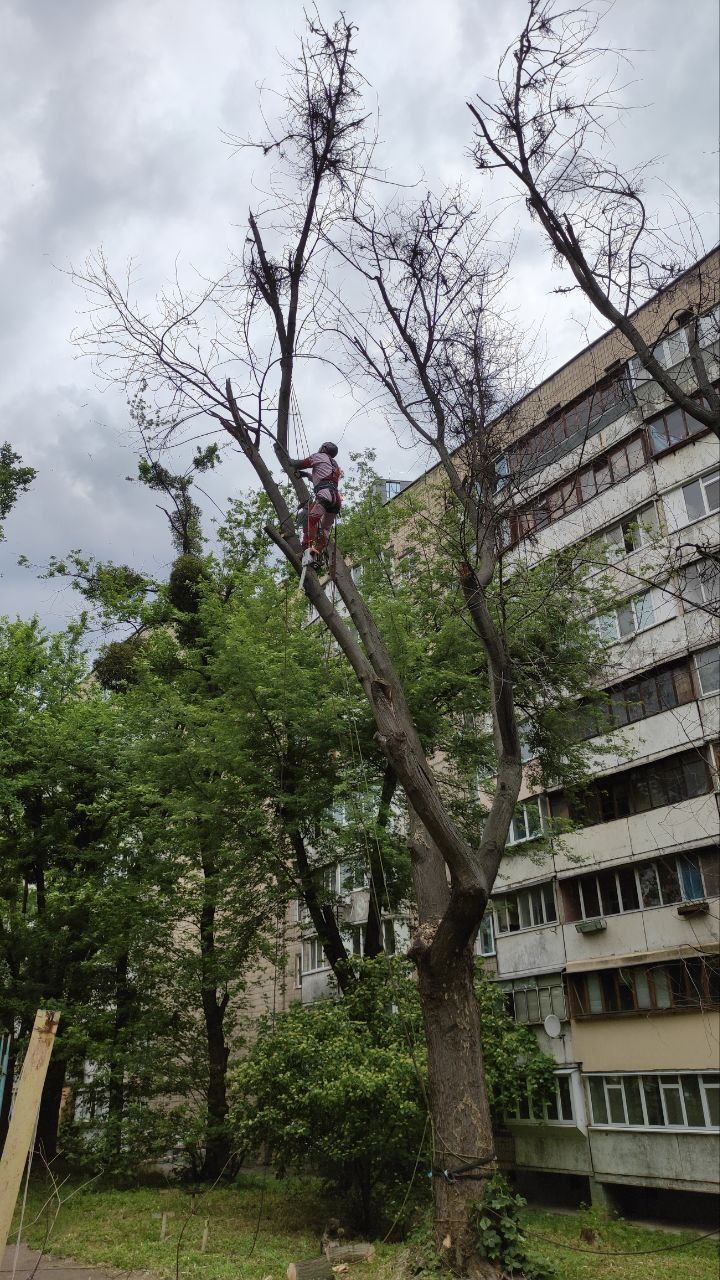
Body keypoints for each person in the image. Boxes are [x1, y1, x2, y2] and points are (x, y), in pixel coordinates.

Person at [291, 441, 343, 557]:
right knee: (325, 528)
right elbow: (323, 479)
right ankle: (317, 550)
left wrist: (288, 460)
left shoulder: (318, 456)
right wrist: (305, 475)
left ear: (324, 448)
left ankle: (307, 547)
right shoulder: (334, 465)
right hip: (335, 499)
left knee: (311, 521)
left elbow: (298, 464)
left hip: (325, 495)